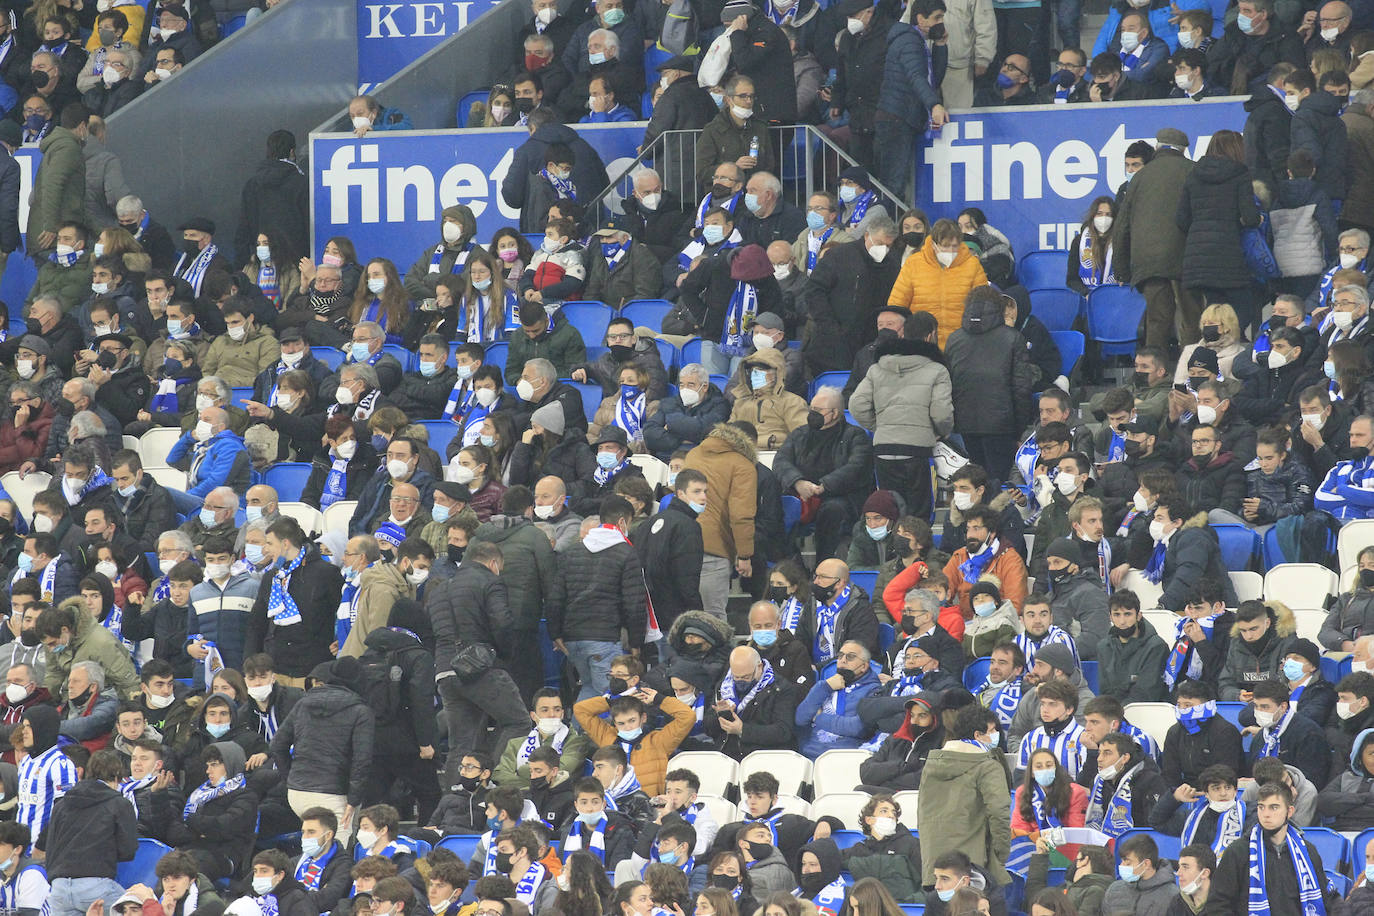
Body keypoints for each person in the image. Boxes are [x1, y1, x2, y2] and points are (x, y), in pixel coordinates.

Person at [270, 654, 375, 846]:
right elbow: (362, 760)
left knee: (313, 852)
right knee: (337, 857)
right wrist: (354, 799)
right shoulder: (361, 711)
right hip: (335, 796)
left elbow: (277, 745)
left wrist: (291, 778)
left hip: (297, 795)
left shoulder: (303, 703)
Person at [1115, 128, 1201, 347]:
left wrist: (1121, 269)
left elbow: (1122, 226)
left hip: (1148, 260)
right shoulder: (1193, 170)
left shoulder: (1139, 177)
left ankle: (1153, 374)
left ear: (1157, 148)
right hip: (1185, 257)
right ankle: (1192, 374)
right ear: (1183, 150)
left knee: (1156, 321)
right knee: (1193, 320)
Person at [919, 708, 1009, 912]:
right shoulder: (987, 766)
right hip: (972, 867)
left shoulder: (932, 764)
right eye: (992, 730)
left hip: (935, 865)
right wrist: (1000, 854)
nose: (996, 736)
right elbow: (999, 810)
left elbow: (923, 813)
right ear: (977, 735)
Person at [1206, 781, 1338, 914]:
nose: (1266, 814)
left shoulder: (1308, 852)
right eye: (1261, 807)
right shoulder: (1237, 852)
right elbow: (1217, 905)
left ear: (1290, 811)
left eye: (1273, 807)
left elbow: (1327, 898)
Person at [246, 518, 342, 687]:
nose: (265, 549)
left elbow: (340, 614)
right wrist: (249, 664)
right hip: (275, 668)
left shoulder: (326, 573)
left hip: (311, 671)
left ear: (285, 543)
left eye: (269, 543)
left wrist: (340, 639)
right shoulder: (271, 577)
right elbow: (257, 623)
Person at [39, 748, 136, 916]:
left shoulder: (62, 804)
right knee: (138, 909)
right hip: (97, 887)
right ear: (116, 777)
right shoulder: (119, 803)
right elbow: (128, 851)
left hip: (59, 888)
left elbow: (50, 846)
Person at [1246, 678, 1331, 786]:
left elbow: (1313, 780)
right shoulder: (1260, 737)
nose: (1259, 711)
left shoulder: (1309, 733)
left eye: (1265, 707)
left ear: (1283, 707)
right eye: (1256, 706)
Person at [1219, 600, 1295, 700]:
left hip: (1276, 705)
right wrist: (1237, 695)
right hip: (1243, 705)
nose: (1248, 636)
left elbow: (1289, 684)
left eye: (1253, 629)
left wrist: (1260, 699)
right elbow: (1225, 684)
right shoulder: (1236, 644)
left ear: (1267, 623)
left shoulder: (1287, 643)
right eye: (1243, 630)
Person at [1101, 834, 1178, 915]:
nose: (1122, 866)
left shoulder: (1172, 897)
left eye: (1128, 863)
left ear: (1146, 864)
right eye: (1122, 861)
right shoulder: (1115, 889)